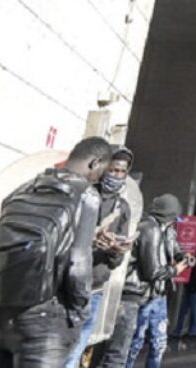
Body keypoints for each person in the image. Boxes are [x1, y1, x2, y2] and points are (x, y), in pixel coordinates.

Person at [0, 137, 112, 368]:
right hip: (45, 314)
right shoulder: (85, 195)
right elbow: (78, 263)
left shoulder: (24, 187)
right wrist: (79, 311)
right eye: (101, 172)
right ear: (94, 162)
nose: (98, 179)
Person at [65, 148, 135, 368]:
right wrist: (90, 238)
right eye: (113, 169)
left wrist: (115, 248)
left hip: (95, 286)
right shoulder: (84, 194)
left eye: (121, 171)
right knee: (62, 342)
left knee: (78, 347)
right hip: (67, 281)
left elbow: (116, 261)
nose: (116, 175)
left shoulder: (122, 208)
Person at [101, 193, 189, 368]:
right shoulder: (149, 229)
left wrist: (183, 256)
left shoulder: (167, 231)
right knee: (132, 342)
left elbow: (174, 249)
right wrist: (176, 269)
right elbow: (153, 271)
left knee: (158, 341)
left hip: (157, 292)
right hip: (139, 292)